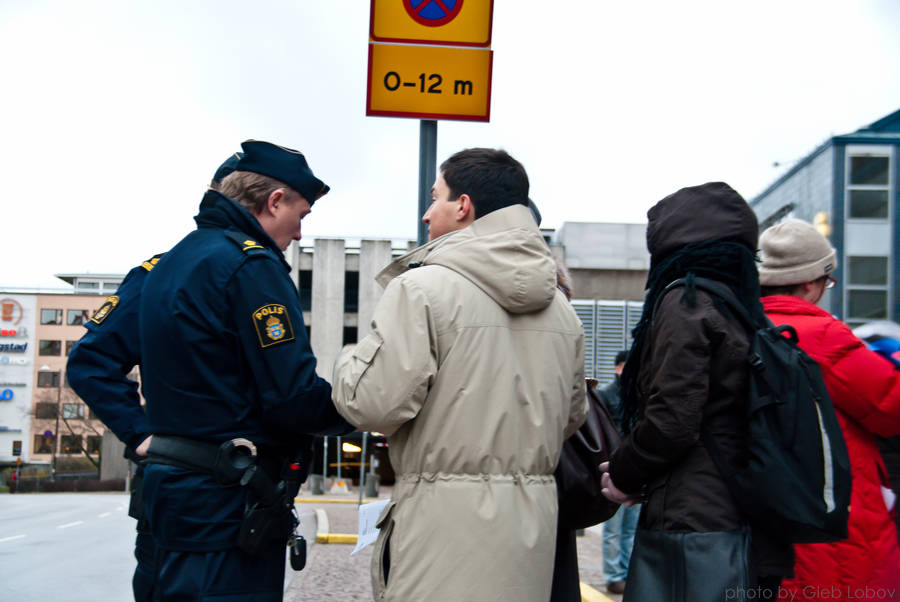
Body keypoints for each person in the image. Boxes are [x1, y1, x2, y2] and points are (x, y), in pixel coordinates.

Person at [331, 148, 587, 601]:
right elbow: (570, 417)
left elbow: (371, 402)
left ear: (463, 205)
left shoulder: (421, 289)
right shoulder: (562, 311)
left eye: (436, 198)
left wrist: (349, 358)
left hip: (439, 531)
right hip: (531, 533)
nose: (428, 214)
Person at [137, 140, 353, 600]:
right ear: (275, 201)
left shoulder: (173, 261)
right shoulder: (251, 266)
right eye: (302, 215)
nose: (298, 234)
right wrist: (362, 410)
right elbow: (291, 398)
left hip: (171, 496)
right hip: (224, 506)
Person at [600, 182, 793, 601]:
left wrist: (622, 471)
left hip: (692, 521)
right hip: (739, 507)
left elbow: (672, 420)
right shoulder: (742, 308)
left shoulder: (687, 301)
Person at [65, 152, 242, 601]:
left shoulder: (256, 272)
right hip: (180, 487)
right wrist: (140, 433)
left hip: (240, 496)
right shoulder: (166, 271)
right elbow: (90, 361)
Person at [757, 219, 900, 599]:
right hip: (832, 525)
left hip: (763, 520)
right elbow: (891, 407)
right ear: (809, 282)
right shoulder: (821, 336)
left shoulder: (738, 326)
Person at [596, 350, 639, 596]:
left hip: (632, 467)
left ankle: (623, 573)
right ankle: (614, 576)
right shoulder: (608, 395)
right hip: (616, 468)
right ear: (618, 367)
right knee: (614, 528)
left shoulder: (636, 392)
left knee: (629, 529)